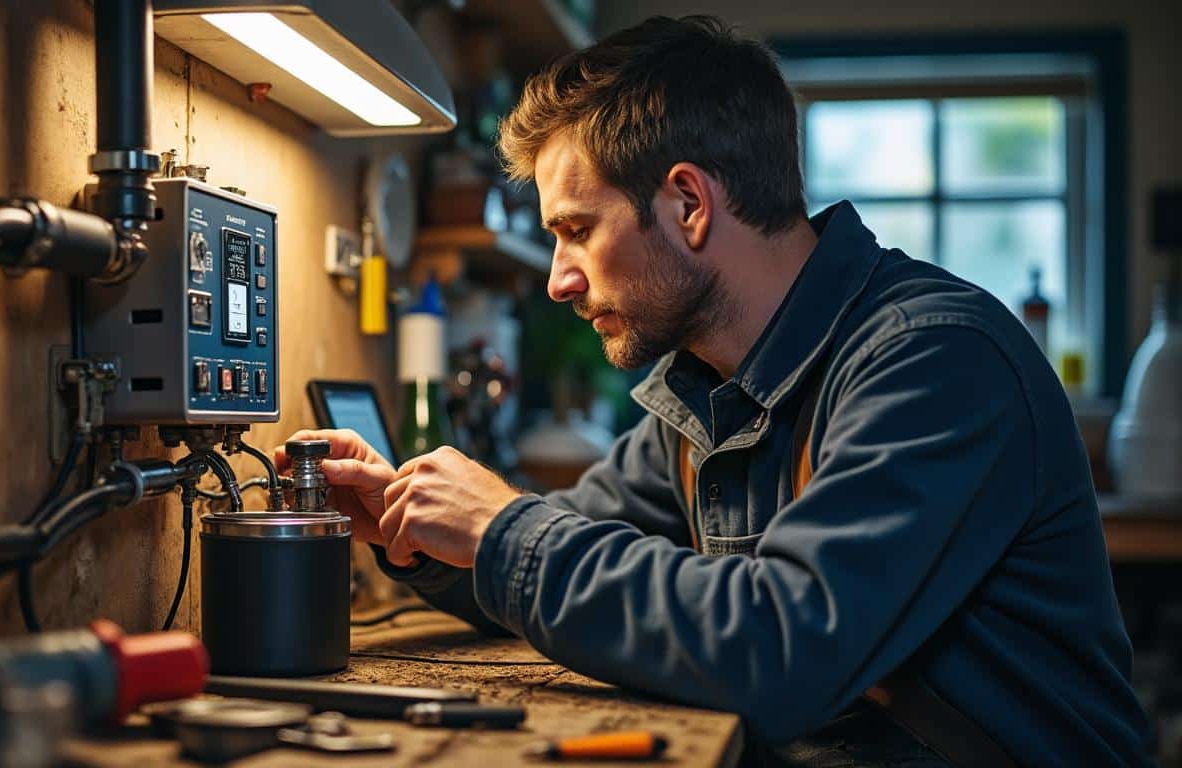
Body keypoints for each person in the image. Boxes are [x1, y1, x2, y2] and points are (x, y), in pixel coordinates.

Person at [277, 16, 1151, 767]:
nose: (558, 281)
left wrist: (503, 528)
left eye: (576, 231)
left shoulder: (933, 362)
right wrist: (413, 525)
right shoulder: (705, 393)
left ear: (688, 202)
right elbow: (575, 571)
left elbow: (783, 646)